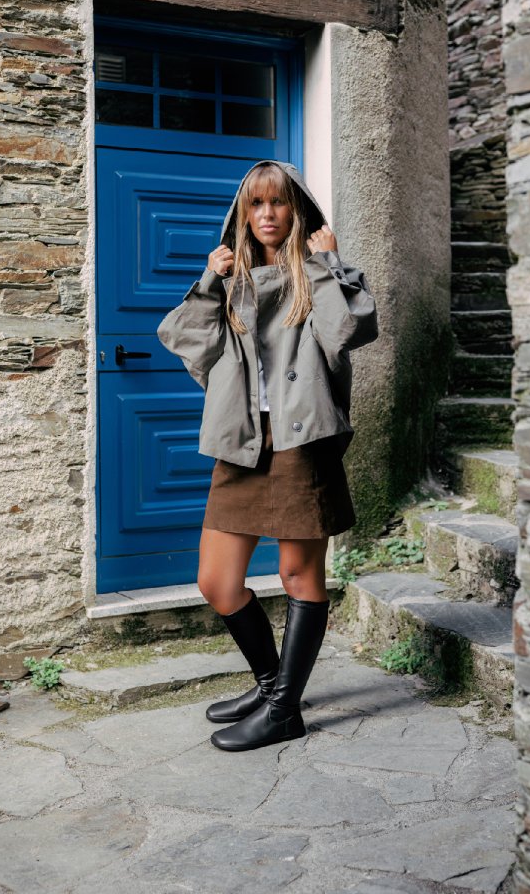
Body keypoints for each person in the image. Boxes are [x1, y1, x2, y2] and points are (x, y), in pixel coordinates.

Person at [156, 160, 378, 752]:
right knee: (216, 582)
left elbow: (348, 331)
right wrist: (210, 280)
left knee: (298, 575)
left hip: (301, 442)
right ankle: (269, 684)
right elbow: (186, 341)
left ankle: (284, 710)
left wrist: (329, 264)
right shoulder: (235, 280)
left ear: (296, 209)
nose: (267, 214)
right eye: (255, 204)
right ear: (243, 214)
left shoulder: (319, 273)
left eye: (277, 202)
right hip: (243, 441)